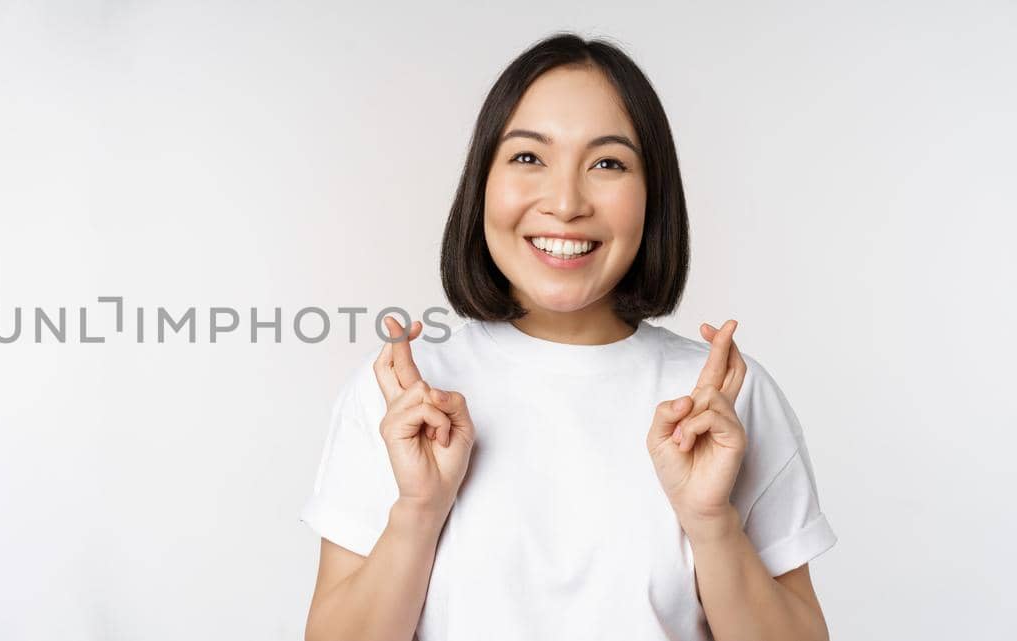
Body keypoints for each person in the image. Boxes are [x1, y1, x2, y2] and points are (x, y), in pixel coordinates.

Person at [300, 33, 836, 641]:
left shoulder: (723, 400)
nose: (565, 202)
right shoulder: (402, 396)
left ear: (652, 195)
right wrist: (419, 512)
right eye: (529, 157)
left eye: (608, 163)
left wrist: (711, 522)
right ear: (482, 182)